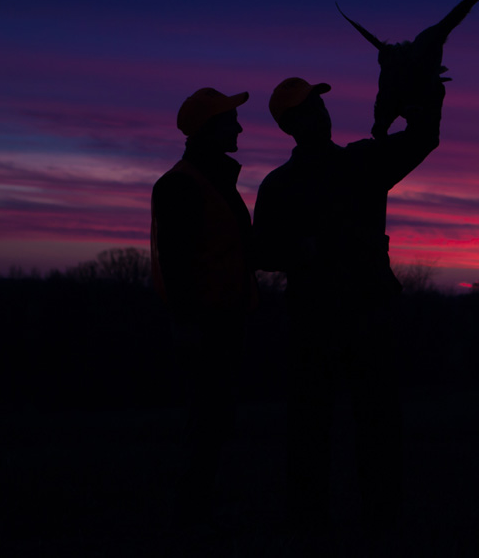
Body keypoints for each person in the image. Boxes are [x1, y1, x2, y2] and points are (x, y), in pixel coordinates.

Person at [254, 76, 443, 546]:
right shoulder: (279, 184)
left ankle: (381, 520)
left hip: (366, 314)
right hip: (313, 319)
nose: (318, 113)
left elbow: (424, 138)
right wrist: (308, 250)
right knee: (310, 425)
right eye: (305, 109)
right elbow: (262, 253)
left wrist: (423, 91)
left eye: (319, 105)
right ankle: (309, 522)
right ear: (288, 125)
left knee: (376, 422)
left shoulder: (363, 160)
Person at [150, 87, 258, 526]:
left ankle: (201, 505)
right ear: (209, 129)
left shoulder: (215, 181)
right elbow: (176, 264)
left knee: (217, 418)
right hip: (206, 324)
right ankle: (192, 512)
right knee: (204, 419)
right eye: (230, 120)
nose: (239, 126)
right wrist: (189, 323)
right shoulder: (181, 185)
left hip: (226, 319)